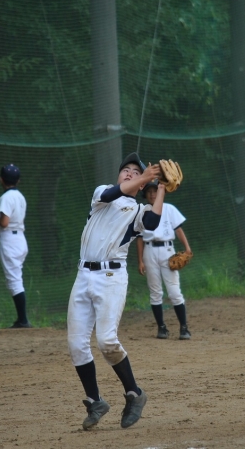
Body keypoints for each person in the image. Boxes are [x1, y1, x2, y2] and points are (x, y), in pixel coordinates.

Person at [67, 152, 163, 430]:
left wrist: (162, 188)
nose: (130, 172)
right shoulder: (103, 194)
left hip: (111, 277)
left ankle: (134, 393)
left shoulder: (138, 211)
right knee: (76, 345)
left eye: (136, 171)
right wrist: (145, 178)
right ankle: (95, 401)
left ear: (142, 185)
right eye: (126, 169)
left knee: (107, 341)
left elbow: (153, 223)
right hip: (83, 276)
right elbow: (112, 193)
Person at [136, 180, 192, 340]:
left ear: (161, 192)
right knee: (155, 291)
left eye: (155, 191)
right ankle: (161, 328)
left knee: (174, 291)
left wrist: (187, 248)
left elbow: (178, 229)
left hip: (167, 250)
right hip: (149, 251)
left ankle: (184, 328)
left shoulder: (169, 209)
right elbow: (139, 238)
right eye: (149, 192)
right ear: (145, 195)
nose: (152, 194)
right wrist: (140, 260)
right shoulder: (142, 212)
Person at [0, 164, 30, 328]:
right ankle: (22, 319)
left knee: (14, 281)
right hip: (19, 239)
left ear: (1, 180)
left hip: (10, 240)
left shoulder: (6, 197)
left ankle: (23, 320)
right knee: (16, 279)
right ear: (18, 180)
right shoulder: (20, 196)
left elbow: (4, 222)